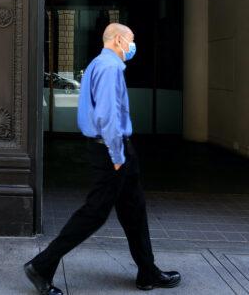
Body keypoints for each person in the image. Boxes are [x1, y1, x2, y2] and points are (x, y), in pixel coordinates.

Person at [23, 23, 181, 295]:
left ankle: (147, 272)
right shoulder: (110, 68)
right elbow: (107, 116)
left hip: (113, 148)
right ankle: (41, 265)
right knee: (93, 214)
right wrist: (118, 155)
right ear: (119, 40)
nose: (133, 46)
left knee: (134, 211)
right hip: (113, 150)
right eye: (131, 40)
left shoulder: (98, 64)